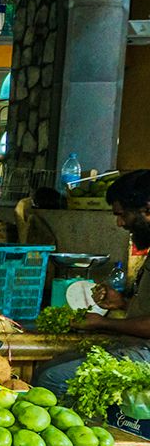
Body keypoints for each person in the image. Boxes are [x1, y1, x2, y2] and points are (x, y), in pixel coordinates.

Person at [34, 169, 150, 396]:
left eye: (123, 215)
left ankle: (88, 431)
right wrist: (122, 304)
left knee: (53, 379)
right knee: (46, 368)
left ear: (147, 209)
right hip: (136, 344)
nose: (119, 223)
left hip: (145, 353)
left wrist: (102, 324)